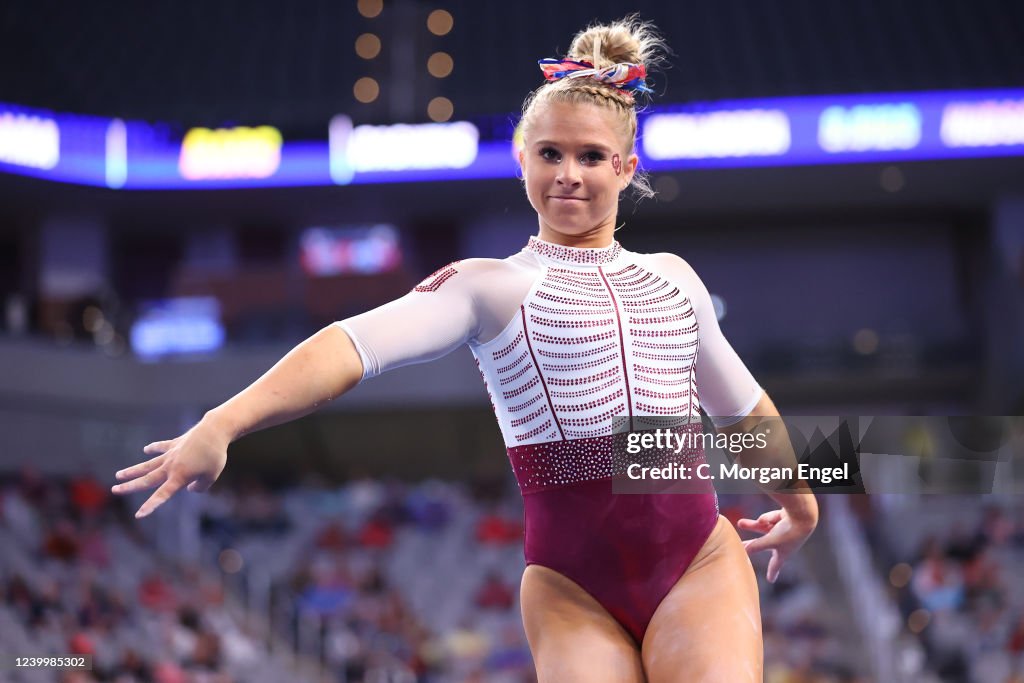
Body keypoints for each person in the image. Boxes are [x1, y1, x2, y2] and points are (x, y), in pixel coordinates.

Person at [112, 16, 819, 681]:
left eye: (591, 156)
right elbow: (352, 346)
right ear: (521, 158)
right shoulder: (490, 287)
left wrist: (800, 504)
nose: (569, 173)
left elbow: (744, 410)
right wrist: (222, 422)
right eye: (551, 153)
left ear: (627, 167)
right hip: (573, 587)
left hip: (695, 557)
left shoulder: (673, 279)